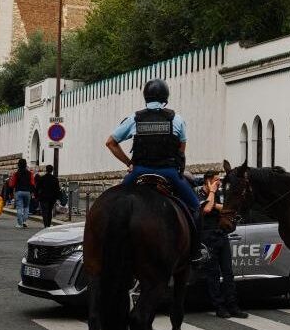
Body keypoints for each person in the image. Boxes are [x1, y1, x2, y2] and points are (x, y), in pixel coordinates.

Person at [105, 78, 205, 261]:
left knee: (113, 205)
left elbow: (110, 143)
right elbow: (181, 150)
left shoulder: (134, 119)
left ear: (145, 96)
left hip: (139, 171)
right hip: (168, 173)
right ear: (165, 97)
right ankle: (196, 252)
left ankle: (108, 248)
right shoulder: (177, 119)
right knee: (195, 207)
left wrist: (129, 163)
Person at [197, 171, 247, 318]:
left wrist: (214, 202)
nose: (218, 183)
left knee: (228, 273)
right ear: (207, 181)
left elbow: (225, 207)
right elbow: (206, 209)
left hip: (221, 234)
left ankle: (233, 306)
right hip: (207, 236)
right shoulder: (199, 194)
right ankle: (219, 307)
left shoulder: (217, 194)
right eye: (215, 181)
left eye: (219, 181)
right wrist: (211, 192)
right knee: (213, 274)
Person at [12, 159, 33, 228]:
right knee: (26, 207)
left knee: (19, 208)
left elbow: (12, 184)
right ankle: (24, 221)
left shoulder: (16, 173)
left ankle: (19, 223)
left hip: (19, 191)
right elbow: (32, 183)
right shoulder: (30, 173)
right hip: (27, 192)